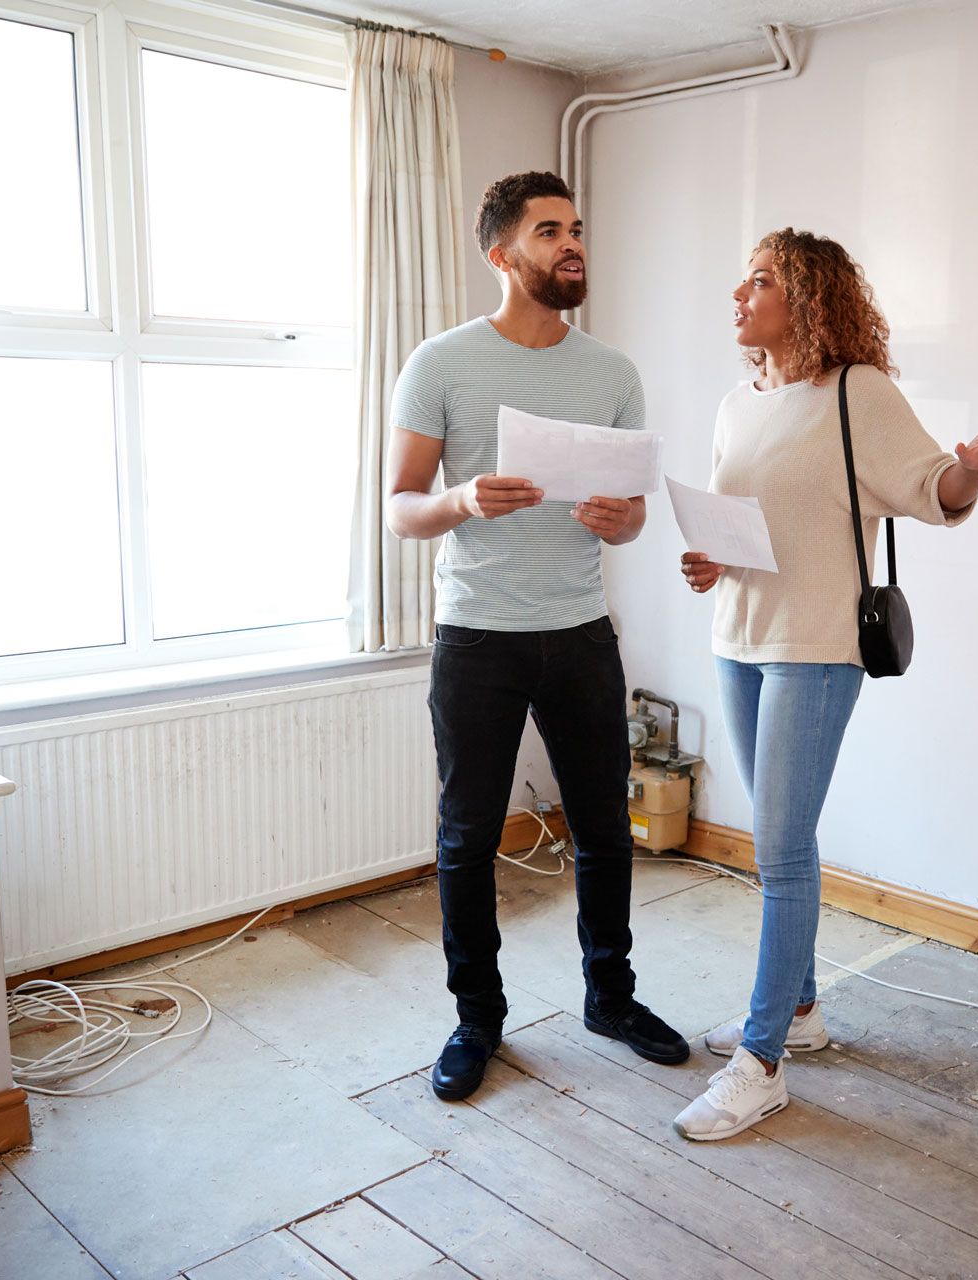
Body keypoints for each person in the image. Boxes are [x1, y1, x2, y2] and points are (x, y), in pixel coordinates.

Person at [672, 228, 978, 1140]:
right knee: (776, 842)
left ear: (806, 300)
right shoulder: (737, 404)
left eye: (760, 281)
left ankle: (761, 1062)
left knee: (781, 848)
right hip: (738, 636)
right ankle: (801, 1013)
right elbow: (755, 525)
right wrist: (708, 562)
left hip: (817, 645)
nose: (739, 294)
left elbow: (935, 489)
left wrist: (976, 465)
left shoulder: (858, 393)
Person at [385, 171, 689, 1103]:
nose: (573, 244)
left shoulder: (613, 374)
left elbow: (635, 515)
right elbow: (401, 509)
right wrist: (464, 499)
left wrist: (617, 521)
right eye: (549, 230)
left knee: (604, 829)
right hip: (477, 638)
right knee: (467, 836)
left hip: (582, 632)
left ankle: (611, 997)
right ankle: (477, 1019)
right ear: (501, 255)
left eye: (577, 228)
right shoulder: (439, 363)